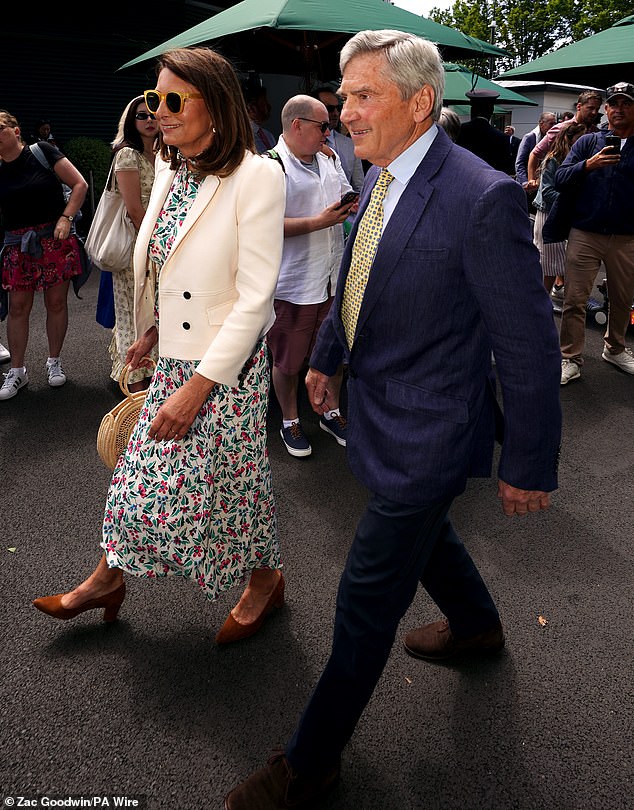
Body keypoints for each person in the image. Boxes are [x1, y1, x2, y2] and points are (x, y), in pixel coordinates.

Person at [225, 29, 562, 809]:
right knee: (428, 534)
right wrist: (327, 355)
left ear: (420, 103)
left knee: (364, 599)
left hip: (433, 430)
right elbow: (361, 274)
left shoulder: (483, 197)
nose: (345, 111)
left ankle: (310, 764)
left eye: (362, 94)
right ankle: (477, 627)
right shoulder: (375, 174)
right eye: (343, 96)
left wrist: (529, 462)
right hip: (379, 411)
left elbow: (528, 346)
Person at [31, 46, 287, 646]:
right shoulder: (170, 170)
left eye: (174, 100)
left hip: (225, 369)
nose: (159, 111)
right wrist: (153, 332)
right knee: (153, 479)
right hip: (174, 358)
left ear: (216, 107)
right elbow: (170, 270)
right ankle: (108, 579)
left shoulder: (258, 177)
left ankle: (263, 579)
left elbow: (255, 300)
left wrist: (197, 389)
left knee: (223, 484)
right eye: (154, 100)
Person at [267, 94, 355, 458]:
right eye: (323, 125)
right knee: (288, 358)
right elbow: (260, 226)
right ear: (297, 125)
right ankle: (289, 418)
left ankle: (329, 410)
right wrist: (318, 222)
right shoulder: (270, 166)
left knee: (333, 352)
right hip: (295, 282)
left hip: (332, 274)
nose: (329, 130)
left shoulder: (327, 159)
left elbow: (342, 196)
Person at [0, 110, 88, 401]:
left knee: (55, 302)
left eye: (1, 129)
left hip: (54, 239)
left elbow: (79, 184)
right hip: (16, 244)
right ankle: (17, 370)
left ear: (15, 130)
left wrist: (66, 217)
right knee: (18, 308)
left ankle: (54, 361)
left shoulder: (42, 151)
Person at [556, 81, 634, 385]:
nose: (618, 109)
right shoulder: (589, 142)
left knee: (622, 298)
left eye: (626, 103)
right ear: (606, 109)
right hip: (585, 233)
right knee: (575, 298)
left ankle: (615, 348)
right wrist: (588, 165)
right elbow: (560, 176)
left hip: (626, 237)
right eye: (613, 104)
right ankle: (570, 357)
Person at [106, 95, 159, 392]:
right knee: (135, 315)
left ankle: (155, 383)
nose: (150, 120)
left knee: (156, 314)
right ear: (131, 121)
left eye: (153, 114)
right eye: (142, 115)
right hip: (137, 249)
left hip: (163, 248)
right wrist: (153, 246)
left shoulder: (167, 153)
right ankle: (135, 389)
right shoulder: (128, 155)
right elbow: (134, 210)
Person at [533, 123, 588, 294]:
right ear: (569, 139)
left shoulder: (575, 160)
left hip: (561, 215)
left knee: (554, 262)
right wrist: (572, 201)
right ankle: (542, 302)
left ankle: (546, 298)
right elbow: (547, 191)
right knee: (549, 264)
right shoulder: (553, 160)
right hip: (549, 215)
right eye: (580, 139)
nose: (583, 144)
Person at [525, 91, 603, 194]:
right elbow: (535, 153)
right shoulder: (561, 129)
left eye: (597, 109)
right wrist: (531, 180)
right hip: (555, 192)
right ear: (579, 106)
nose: (594, 113)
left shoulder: (596, 132)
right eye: (590, 108)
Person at [313, 85, 365, 191]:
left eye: (339, 108)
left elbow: (360, 188)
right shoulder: (302, 143)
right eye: (330, 109)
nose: (336, 113)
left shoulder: (350, 144)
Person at [456, 89, 515, 174]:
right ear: (491, 111)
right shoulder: (502, 138)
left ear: (472, 110)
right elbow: (506, 169)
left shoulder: (459, 130)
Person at [515, 111, 557, 187]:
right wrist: (524, 182)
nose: (554, 126)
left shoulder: (553, 139)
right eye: (551, 124)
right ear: (541, 124)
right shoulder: (529, 137)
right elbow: (520, 162)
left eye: (555, 123)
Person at [242, 74, 276, 153]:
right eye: (263, 104)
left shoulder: (268, 136)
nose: (267, 108)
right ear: (251, 108)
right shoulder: (244, 139)